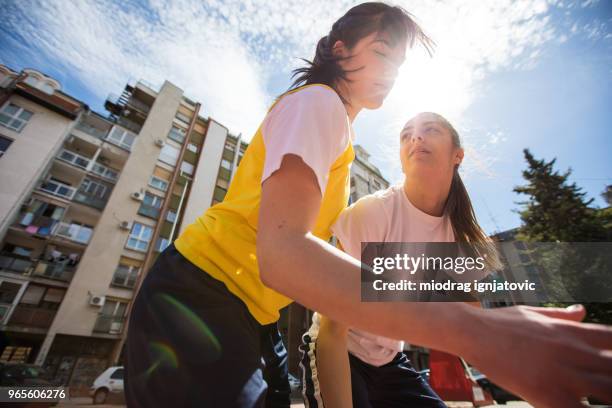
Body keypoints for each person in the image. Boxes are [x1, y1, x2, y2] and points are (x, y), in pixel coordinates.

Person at [124, 2, 612, 407]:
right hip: (199, 292)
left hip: (255, 314)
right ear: (340, 50)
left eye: (397, 65)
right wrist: (476, 330)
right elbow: (283, 253)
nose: (389, 73)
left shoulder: (339, 130)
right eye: (380, 53)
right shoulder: (318, 104)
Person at [300, 112, 495, 408]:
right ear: (402, 159)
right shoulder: (372, 213)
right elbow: (331, 332)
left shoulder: (462, 237)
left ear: (458, 155)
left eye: (430, 130)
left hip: (390, 359)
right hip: (338, 350)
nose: (416, 137)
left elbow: (469, 323)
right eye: (406, 135)